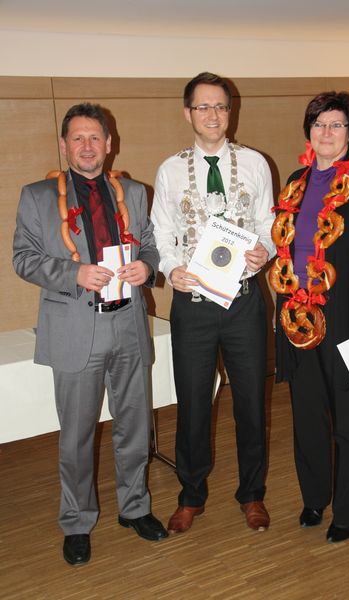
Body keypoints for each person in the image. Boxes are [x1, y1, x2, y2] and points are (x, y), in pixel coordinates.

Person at [13, 102, 168, 566]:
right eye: (77, 138)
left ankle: (134, 507)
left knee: (134, 426)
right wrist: (73, 273)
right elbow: (23, 258)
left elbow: (150, 244)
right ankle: (77, 522)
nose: (87, 146)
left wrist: (148, 267)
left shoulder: (133, 192)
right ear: (64, 145)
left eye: (94, 137)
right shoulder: (37, 196)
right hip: (75, 329)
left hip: (128, 324)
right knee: (77, 436)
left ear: (109, 143)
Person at [151, 72, 275, 534]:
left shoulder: (256, 163)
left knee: (251, 401)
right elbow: (161, 232)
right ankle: (191, 494)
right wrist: (171, 269)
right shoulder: (169, 169)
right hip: (194, 303)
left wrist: (266, 251)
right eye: (203, 106)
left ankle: (253, 493)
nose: (213, 115)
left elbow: (268, 224)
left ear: (230, 111)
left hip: (243, 301)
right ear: (188, 113)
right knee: (193, 402)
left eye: (220, 106)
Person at [270, 91, 349, 543]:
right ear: (309, 130)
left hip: (345, 314)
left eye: (336, 124)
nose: (326, 132)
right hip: (298, 314)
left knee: (348, 415)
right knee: (306, 413)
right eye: (319, 123)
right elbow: (286, 248)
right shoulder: (297, 181)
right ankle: (315, 497)